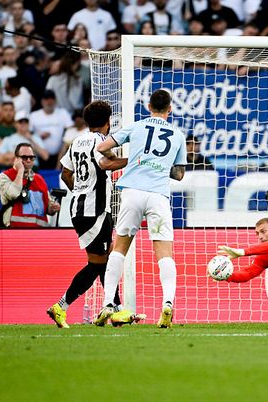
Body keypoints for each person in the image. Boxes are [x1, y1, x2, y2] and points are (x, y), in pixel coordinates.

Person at [47, 101, 146, 328]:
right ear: (107, 121)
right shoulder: (101, 141)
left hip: (80, 209)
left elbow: (65, 173)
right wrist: (137, 160)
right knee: (98, 263)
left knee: (106, 259)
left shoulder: (76, 142)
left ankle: (114, 309)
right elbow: (105, 163)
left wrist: (80, 191)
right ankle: (62, 306)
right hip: (96, 211)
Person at [94, 89, 187, 329]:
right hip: (157, 195)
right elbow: (178, 174)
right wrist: (158, 164)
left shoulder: (136, 127)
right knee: (164, 253)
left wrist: (127, 160)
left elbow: (102, 147)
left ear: (148, 106)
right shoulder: (177, 134)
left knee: (119, 248)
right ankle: (167, 303)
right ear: (170, 109)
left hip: (132, 193)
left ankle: (107, 304)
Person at [0, 143, 60, 227]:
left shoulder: (39, 179)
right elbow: (13, 194)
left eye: (32, 157)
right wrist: (20, 171)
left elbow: (48, 208)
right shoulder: (5, 176)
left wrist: (52, 208)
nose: (29, 160)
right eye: (24, 157)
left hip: (40, 233)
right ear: (16, 159)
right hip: (16, 231)